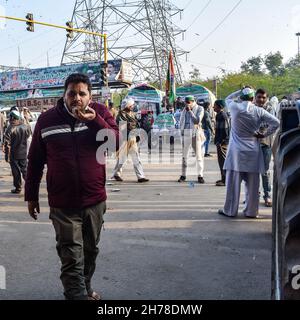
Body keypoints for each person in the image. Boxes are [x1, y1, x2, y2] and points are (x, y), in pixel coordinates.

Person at [25, 73, 120, 300]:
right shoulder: (46, 120)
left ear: (90, 96)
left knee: (90, 251)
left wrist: (94, 120)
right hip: (63, 203)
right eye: (71, 93)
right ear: (64, 95)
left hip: (94, 200)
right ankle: (76, 295)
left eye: (82, 93)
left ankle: (85, 288)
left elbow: (115, 143)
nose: (76, 98)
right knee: (71, 255)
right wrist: (31, 196)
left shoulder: (101, 114)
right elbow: (35, 160)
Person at [218, 87, 279, 218]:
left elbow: (227, 98)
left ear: (241, 98)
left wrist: (239, 91)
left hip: (236, 152)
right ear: (253, 99)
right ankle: (251, 212)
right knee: (252, 185)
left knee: (233, 184)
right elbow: (276, 123)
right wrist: (263, 134)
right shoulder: (259, 111)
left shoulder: (234, 107)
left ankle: (230, 210)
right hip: (253, 150)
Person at [112, 98, 149, 183]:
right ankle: (116, 174)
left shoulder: (132, 114)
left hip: (132, 137)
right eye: (131, 105)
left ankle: (140, 176)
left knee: (135, 157)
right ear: (127, 105)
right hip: (125, 138)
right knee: (122, 158)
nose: (132, 106)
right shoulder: (121, 115)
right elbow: (122, 128)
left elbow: (136, 126)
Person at [255, 88, 276, 207]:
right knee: (252, 171)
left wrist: (262, 133)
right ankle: (253, 195)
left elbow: (272, 124)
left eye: (263, 97)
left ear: (266, 98)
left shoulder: (269, 109)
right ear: (255, 97)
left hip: (265, 143)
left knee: (265, 171)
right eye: (259, 97)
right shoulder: (251, 108)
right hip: (251, 144)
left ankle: (267, 196)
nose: (261, 99)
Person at [178, 95, 206, 183]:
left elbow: (197, 121)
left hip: (195, 134)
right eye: (185, 103)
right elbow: (182, 121)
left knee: (199, 156)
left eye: (188, 102)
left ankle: (200, 175)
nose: (186, 104)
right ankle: (183, 175)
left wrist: (190, 111)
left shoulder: (199, 109)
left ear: (193, 101)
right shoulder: (184, 109)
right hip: (186, 133)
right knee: (184, 156)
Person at [3, 110, 31, 193]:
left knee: (16, 172)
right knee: (25, 170)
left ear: (12, 118)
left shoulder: (10, 128)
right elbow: (29, 135)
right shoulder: (25, 126)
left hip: (14, 154)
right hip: (23, 152)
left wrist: (6, 156)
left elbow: (7, 144)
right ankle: (31, 186)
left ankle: (18, 188)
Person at [213, 100, 230, 186]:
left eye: (215, 106)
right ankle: (223, 178)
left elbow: (225, 130)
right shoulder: (218, 115)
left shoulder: (223, 116)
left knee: (223, 161)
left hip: (223, 142)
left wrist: (220, 141)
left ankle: (225, 180)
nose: (213, 107)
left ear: (219, 106)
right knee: (221, 161)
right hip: (220, 141)